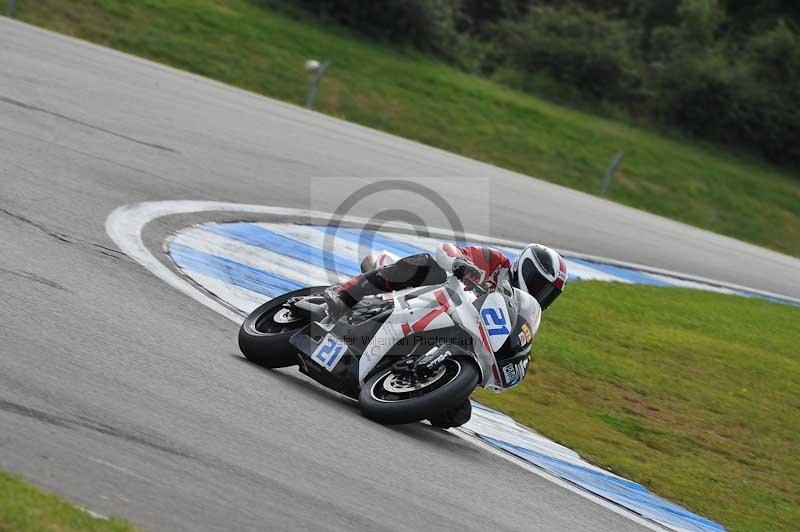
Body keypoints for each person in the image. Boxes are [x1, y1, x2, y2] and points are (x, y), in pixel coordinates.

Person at [323, 242, 567, 317]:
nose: (539, 294)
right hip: (428, 299)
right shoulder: (495, 262)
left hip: (450, 330)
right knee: (429, 265)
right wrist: (459, 263)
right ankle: (345, 294)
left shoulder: (521, 314)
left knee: (457, 414)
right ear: (526, 267)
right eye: (539, 285)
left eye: (548, 293)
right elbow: (447, 249)